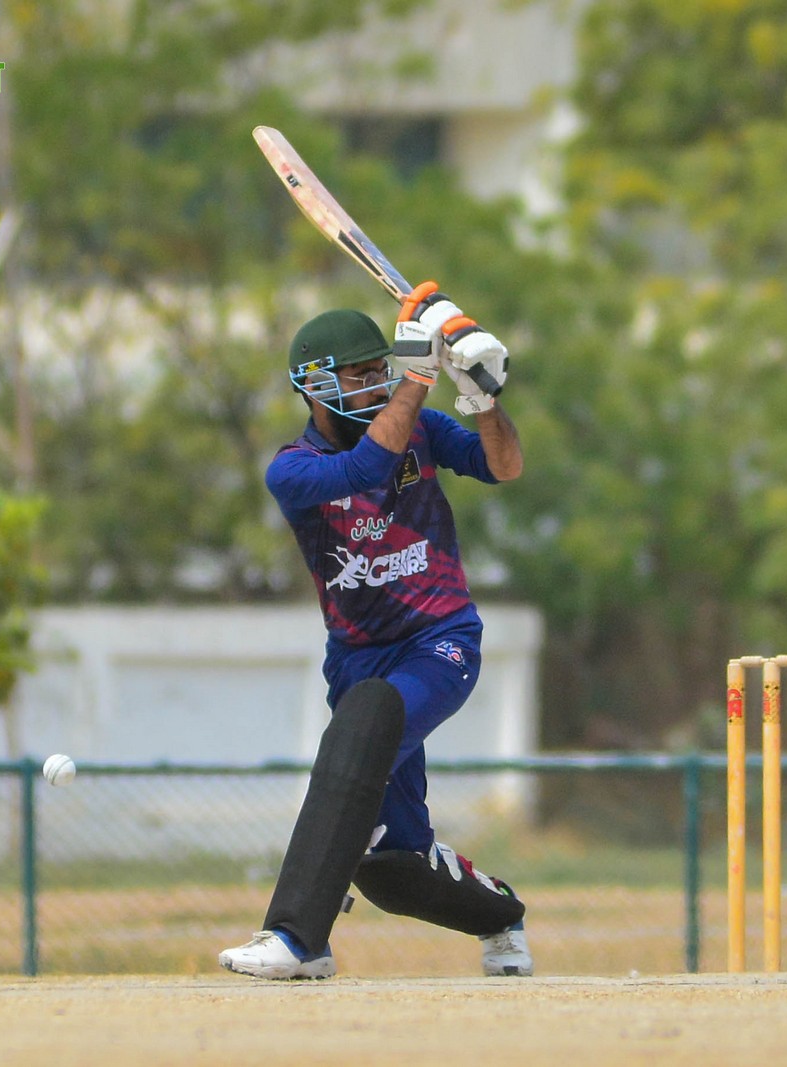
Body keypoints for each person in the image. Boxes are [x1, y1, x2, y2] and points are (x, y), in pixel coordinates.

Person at [219, 282, 530, 980]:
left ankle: (297, 940)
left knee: (361, 730)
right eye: (356, 376)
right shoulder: (292, 470)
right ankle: (501, 917)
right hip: (358, 661)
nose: (373, 384)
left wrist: (483, 399)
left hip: (439, 642)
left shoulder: (422, 429)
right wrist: (421, 377)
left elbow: (503, 466)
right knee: (391, 863)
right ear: (313, 386)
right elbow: (365, 466)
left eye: (378, 371)